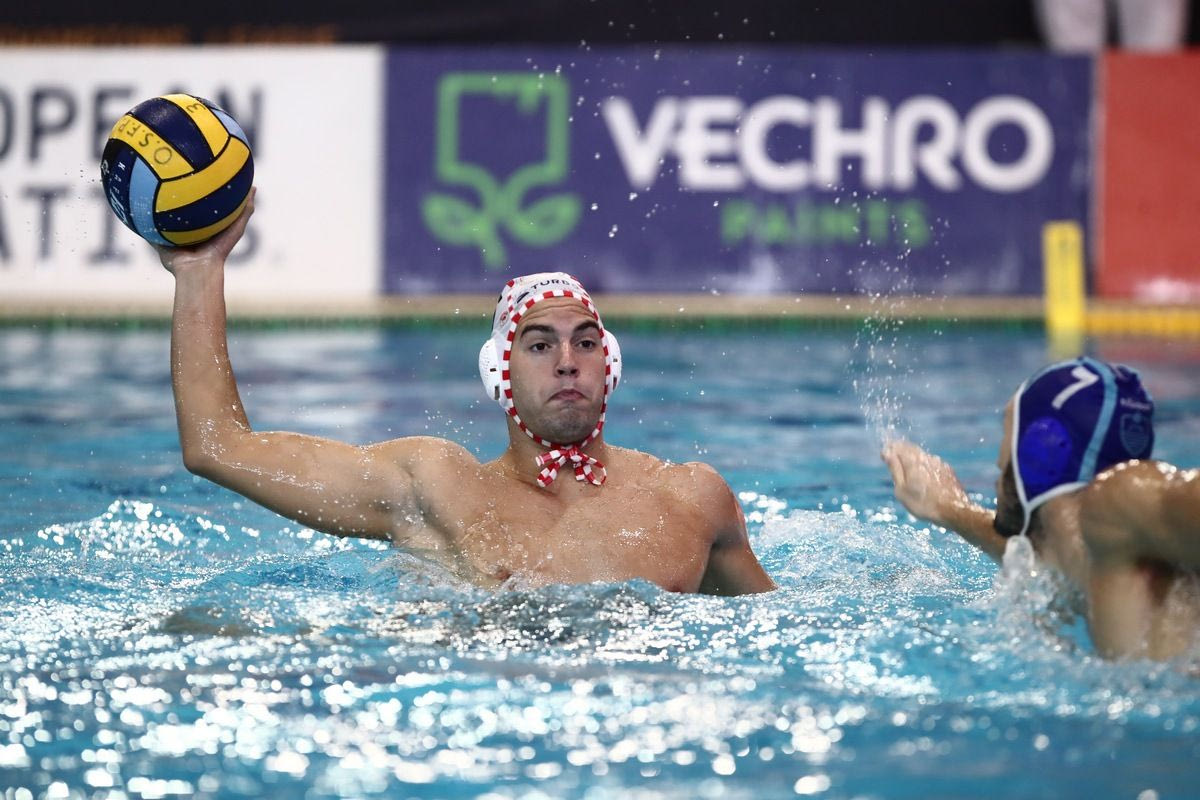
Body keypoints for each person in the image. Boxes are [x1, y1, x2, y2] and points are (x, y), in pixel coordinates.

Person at [157, 189, 775, 596]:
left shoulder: (691, 499)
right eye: (540, 346)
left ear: (609, 364)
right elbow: (216, 447)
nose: (568, 363)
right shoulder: (436, 489)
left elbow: (781, 625)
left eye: (585, 343)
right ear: (499, 374)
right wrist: (199, 271)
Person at [882, 357, 1200, 661]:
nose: (999, 462)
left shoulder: (1119, 497)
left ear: (1040, 450)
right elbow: (1035, 554)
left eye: (1007, 434)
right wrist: (948, 508)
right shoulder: (1097, 546)